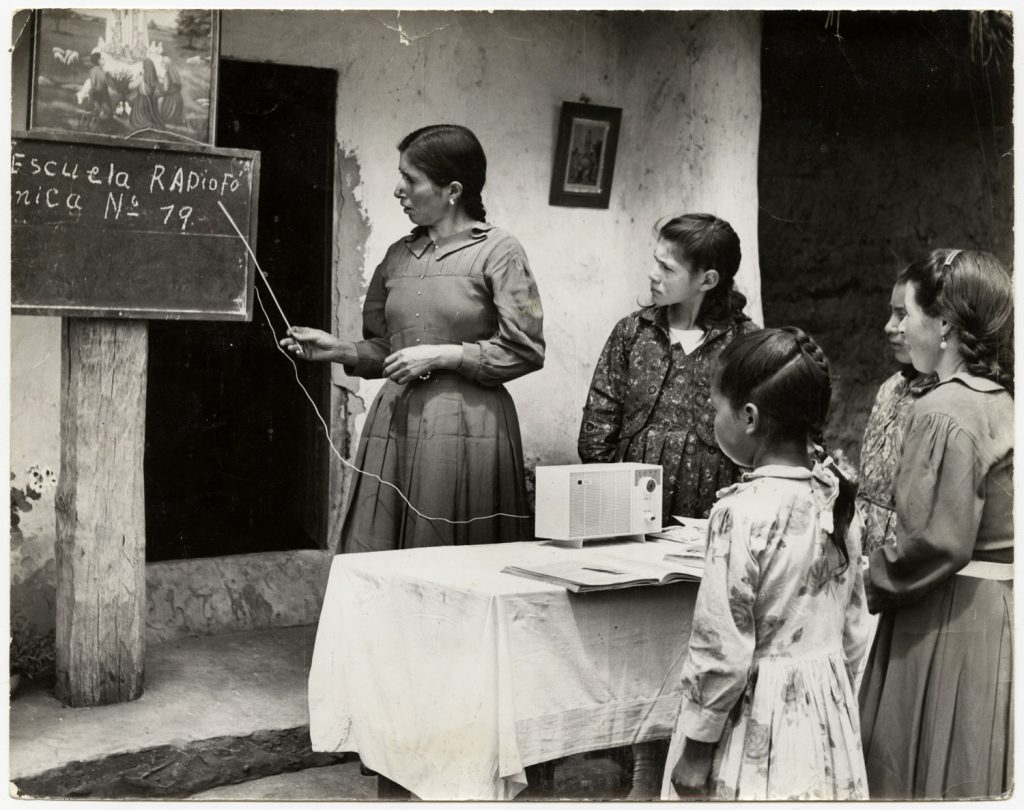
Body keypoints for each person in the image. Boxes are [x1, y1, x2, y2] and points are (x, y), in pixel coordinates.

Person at [281, 124, 544, 552]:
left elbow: (525, 349)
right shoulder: (398, 256)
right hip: (397, 422)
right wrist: (340, 349)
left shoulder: (499, 252)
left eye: (411, 179)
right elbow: (387, 348)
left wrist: (443, 355)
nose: (398, 190)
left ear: (452, 190)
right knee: (383, 553)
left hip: (468, 427)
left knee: (451, 554)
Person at [578, 213, 758, 798]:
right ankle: (640, 765)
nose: (652, 274)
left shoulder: (743, 344)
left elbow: (755, 430)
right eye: (653, 261)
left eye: (666, 266)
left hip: (709, 507)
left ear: (707, 279)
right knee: (637, 634)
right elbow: (599, 421)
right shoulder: (631, 333)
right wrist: (609, 503)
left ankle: (694, 758)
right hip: (635, 506)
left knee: (694, 633)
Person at [662, 327, 869, 800]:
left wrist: (695, 752)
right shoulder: (836, 501)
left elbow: (721, 645)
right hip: (826, 722)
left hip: (756, 723)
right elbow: (855, 631)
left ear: (749, 417)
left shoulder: (739, 514)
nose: (713, 419)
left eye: (717, 409)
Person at [859, 249, 1013, 800]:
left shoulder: (944, 409)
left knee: (922, 770)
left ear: (944, 322)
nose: (899, 327)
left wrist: (867, 575)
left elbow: (936, 541)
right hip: (992, 617)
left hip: (947, 617)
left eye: (909, 314)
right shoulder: (997, 400)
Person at [856, 277, 936, 554]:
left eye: (903, 314)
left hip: (908, 560)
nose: (890, 326)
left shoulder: (944, 403)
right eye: (891, 312)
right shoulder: (890, 388)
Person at [128, 54, 163, 130]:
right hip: (150, 101)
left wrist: (137, 76)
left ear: (145, 67)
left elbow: (130, 86)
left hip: (141, 101)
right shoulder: (154, 78)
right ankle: (149, 122)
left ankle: (145, 124)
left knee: (140, 119)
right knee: (149, 114)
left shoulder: (142, 78)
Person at [158, 54, 184, 126]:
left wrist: (159, 85)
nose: (161, 63)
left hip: (171, 101)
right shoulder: (175, 73)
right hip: (178, 99)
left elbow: (165, 89)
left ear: (166, 64)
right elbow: (178, 87)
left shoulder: (167, 74)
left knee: (158, 99)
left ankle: (161, 119)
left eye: (162, 62)